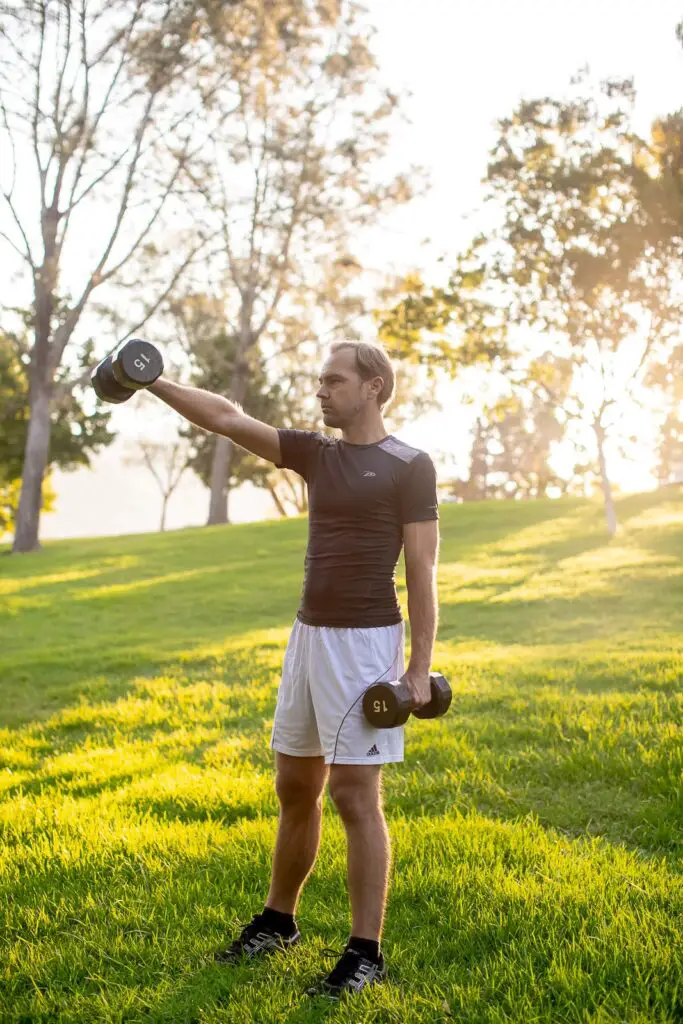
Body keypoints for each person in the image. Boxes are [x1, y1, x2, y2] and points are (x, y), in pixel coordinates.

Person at [149, 339, 439, 999]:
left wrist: (419, 669)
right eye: (319, 381)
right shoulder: (316, 452)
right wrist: (152, 381)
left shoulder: (407, 465)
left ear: (373, 386)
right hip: (308, 637)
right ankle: (279, 921)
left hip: (365, 644)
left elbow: (420, 571)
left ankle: (365, 952)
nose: (320, 390)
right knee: (294, 787)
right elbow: (225, 416)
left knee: (353, 797)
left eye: (333, 381)